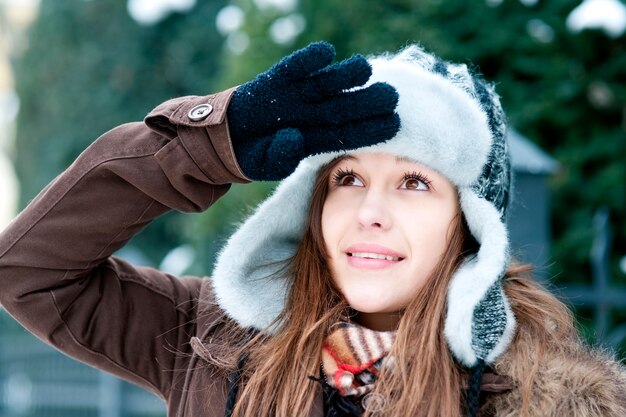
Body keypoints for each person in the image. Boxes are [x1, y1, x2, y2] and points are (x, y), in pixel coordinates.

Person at [0, 41, 624, 417]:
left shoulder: (534, 398)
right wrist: (209, 146)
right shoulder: (209, 342)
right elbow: (30, 271)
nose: (369, 213)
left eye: (415, 183)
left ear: (469, 228)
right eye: (347, 179)